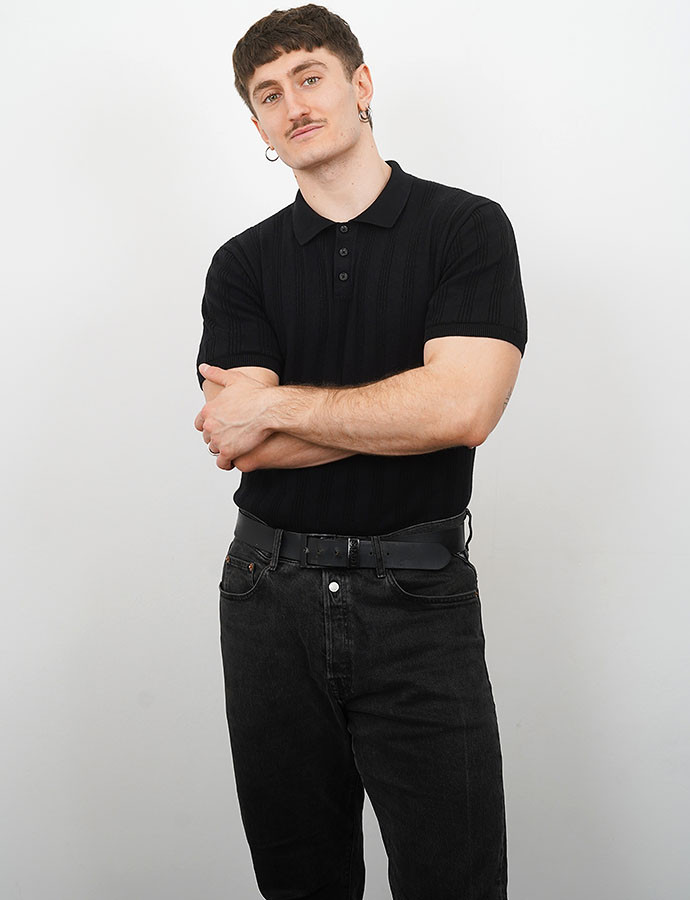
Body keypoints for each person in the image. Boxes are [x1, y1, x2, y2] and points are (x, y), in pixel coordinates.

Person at [194, 5, 527, 898]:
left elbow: (464, 409)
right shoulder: (242, 264)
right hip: (267, 598)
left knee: (455, 879)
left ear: (361, 85)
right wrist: (399, 408)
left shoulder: (466, 228)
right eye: (268, 94)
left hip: (418, 596)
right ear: (259, 127)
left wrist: (280, 405)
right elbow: (240, 440)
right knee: (300, 878)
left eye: (309, 77)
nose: (293, 104)